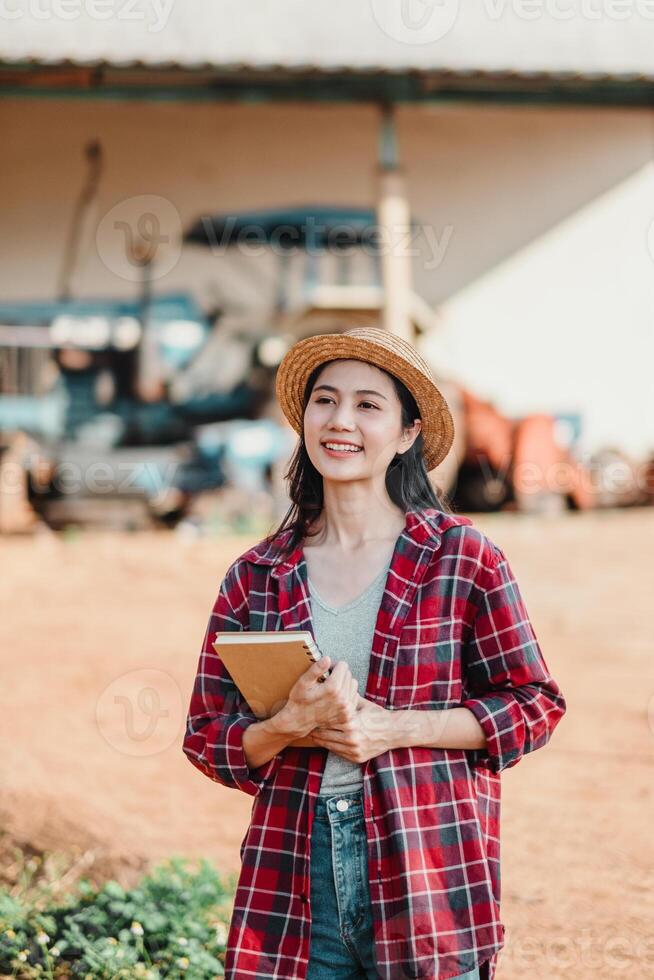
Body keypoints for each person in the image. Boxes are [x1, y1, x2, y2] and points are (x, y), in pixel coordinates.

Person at [182, 325, 567, 980]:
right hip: (295, 881)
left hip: (427, 872)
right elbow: (205, 736)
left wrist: (394, 729)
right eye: (325, 400)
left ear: (408, 432)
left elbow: (532, 706)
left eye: (368, 405)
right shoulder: (255, 575)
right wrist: (285, 727)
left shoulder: (462, 560)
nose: (341, 421)